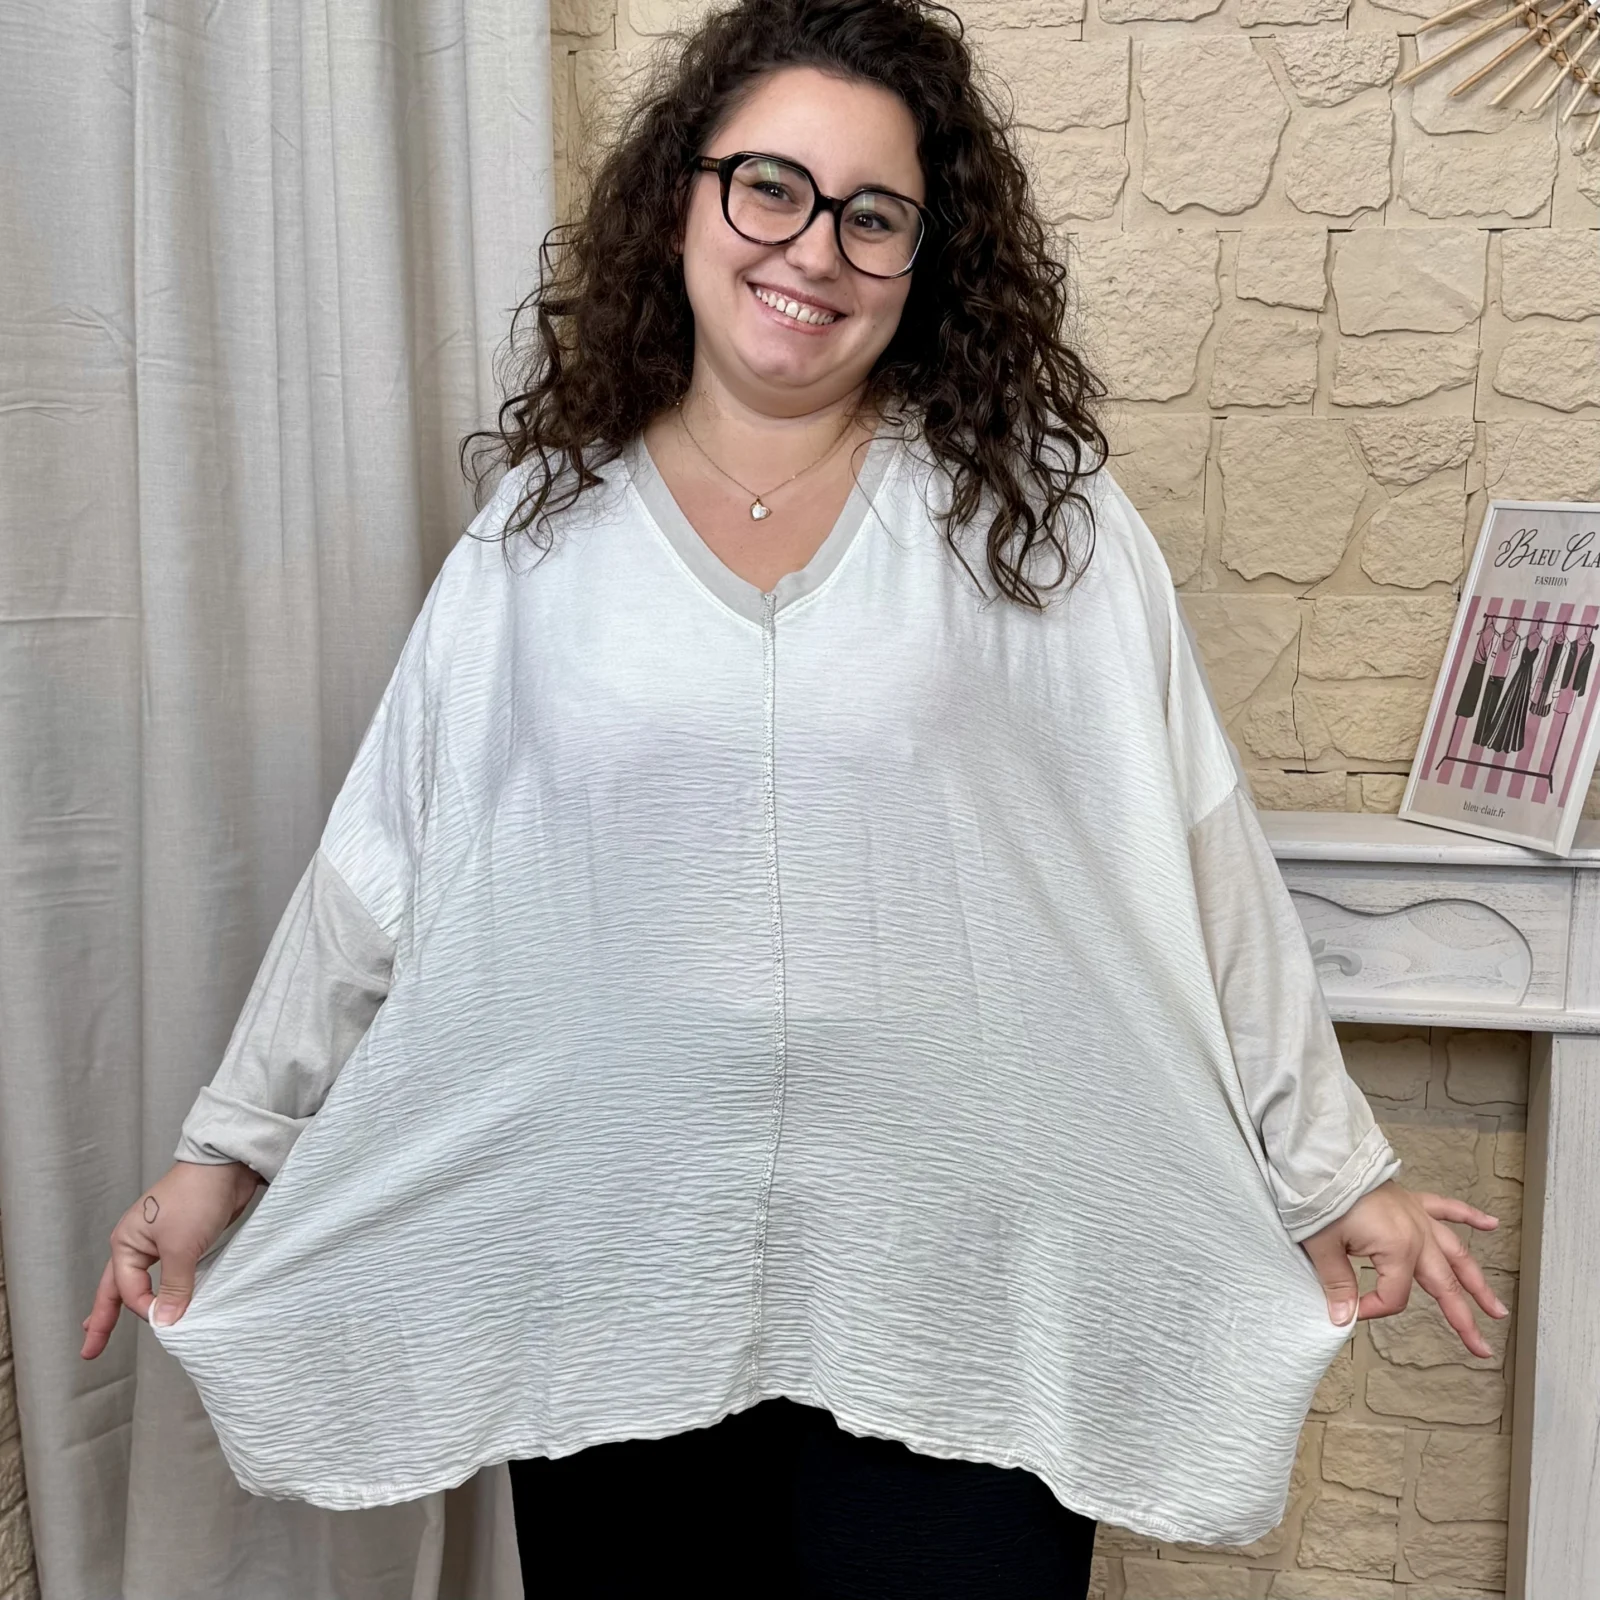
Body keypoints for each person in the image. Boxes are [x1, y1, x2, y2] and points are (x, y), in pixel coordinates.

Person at [80, 1, 1508, 1595]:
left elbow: (1192, 849)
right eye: (771, 186)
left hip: (959, 1275)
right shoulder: (538, 541)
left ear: (925, 262)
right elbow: (382, 870)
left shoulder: (1039, 528)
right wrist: (230, 1151)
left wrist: (1331, 1172)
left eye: (872, 215)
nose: (813, 249)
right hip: (620, 1274)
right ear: (682, 201)